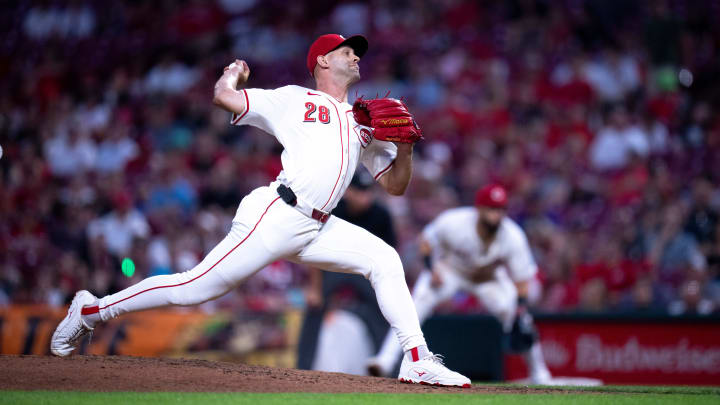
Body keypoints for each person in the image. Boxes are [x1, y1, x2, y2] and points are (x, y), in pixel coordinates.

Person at [51, 33, 470, 388]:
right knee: (193, 288)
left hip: (319, 228)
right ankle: (91, 309)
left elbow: (396, 187)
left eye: (356, 51)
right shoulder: (294, 99)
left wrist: (408, 149)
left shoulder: (364, 124)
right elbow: (222, 97)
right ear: (323, 60)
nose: (356, 55)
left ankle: (416, 358)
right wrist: (233, 72)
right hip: (277, 214)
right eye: (346, 51)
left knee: (385, 258)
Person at [366, 184, 553, 384]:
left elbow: (522, 278)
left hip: (488, 278)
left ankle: (540, 374)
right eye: (491, 208)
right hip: (451, 270)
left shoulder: (512, 235)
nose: (496, 215)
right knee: (417, 303)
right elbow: (426, 240)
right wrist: (431, 269)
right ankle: (385, 360)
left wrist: (520, 310)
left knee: (521, 320)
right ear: (479, 209)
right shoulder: (455, 222)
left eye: (500, 209)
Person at [297, 170, 395, 374]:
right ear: (348, 192)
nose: (365, 197)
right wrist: (314, 289)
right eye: (360, 191)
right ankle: (302, 369)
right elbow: (314, 253)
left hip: (366, 272)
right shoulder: (333, 211)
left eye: (368, 191)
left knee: (387, 311)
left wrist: (389, 291)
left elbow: (391, 257)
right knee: (314, 307)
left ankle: (389, 368)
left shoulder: (381, 215)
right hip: (335, 267)